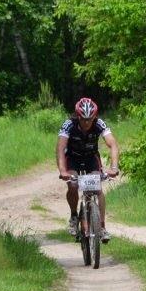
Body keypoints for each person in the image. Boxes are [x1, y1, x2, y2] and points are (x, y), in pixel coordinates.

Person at [56, 97, 120, 242]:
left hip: (91, 158)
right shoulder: (69, 124)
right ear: (77, 116)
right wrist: (63, 171)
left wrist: (114, 167)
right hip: (73, 158)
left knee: (97, 189)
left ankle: (102, 227)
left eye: (89, 119)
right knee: (73, 185)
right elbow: (60, 148)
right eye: (83, 119)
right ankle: (74, 216)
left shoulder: (99, 123)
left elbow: (113, 144)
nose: (86, 122)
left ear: (94, 117)